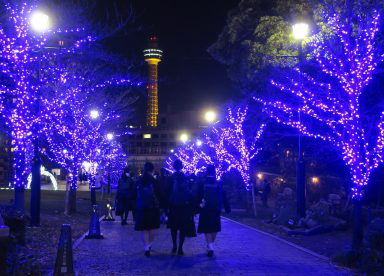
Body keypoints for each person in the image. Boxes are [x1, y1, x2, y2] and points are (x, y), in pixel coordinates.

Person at [197, 165, 230, 257]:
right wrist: (227, 207)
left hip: (205, 208)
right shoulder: (218, 183)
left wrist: (196, 207)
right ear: (214, 172)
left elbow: (198, 195)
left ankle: (210, 246)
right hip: (216, 208)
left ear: (206, 172)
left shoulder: (202, 182)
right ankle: (211, 245)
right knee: (214, 227)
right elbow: (223, 196)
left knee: (207, 228)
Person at [166, 160, 196, 255]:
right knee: (182, 228)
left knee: (173, 228)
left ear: (174, 167)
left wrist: (166, 206)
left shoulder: (170, 178)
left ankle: (174, 245)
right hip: (184, 206)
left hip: (173, 206)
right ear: (181, 166)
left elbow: (166, 192)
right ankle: (180, 248)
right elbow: (190, 193)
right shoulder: (185, 178)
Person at [134, 162, 162, 256]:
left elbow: (134, 193)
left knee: (144, 228)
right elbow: (159, 194)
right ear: (152, 170)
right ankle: (149, 244)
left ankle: (146, 247)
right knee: (152, 227)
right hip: (153, 207)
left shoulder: (140, 180)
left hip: (142, 206)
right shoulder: (154, 181)